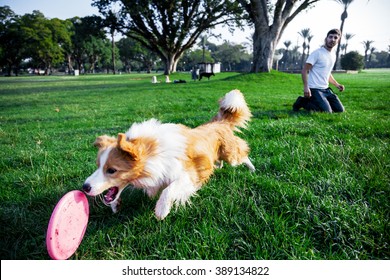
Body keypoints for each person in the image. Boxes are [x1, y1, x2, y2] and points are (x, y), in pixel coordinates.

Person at [293, 29, 345, 113]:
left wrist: (336, 84)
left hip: (326, 89)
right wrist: (306, 87)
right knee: (326, 112)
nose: (332, 39)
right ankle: (302, 102)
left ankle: (322, 103)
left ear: (338, 41)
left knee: (340, 110)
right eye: (330, 37)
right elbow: (304, 70)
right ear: (326, 38)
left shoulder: (333, 55)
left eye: (335, 38)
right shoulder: (317, 53)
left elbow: (327, 73)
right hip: (315, 89)